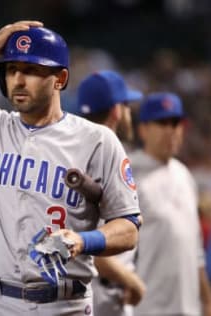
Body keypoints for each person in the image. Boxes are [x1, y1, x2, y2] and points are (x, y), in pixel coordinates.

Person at [0, 20, 141, 315]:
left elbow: (128, 228)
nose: (18, 79)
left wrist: (83, 241)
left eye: (31, 70)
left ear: (60, 79)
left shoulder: (96, 139)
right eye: (11, 69)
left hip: (65, 304)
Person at [129, 92, 211, 316]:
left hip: (189, 308)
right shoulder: (130, 175)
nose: (170, 130)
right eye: (161, 123)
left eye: (175, 123)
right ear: (143, 130)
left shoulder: (184, 175)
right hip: (148, 308)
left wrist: (208, 303)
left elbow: (195, 249)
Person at [72, 70, 146, 316]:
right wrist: (129, 279)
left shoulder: (71, 153)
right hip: (96, 293)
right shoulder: (97, 160)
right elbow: (84, 239)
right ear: (116, 110)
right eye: (126, 105)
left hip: (102, 291)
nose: (129, 113)